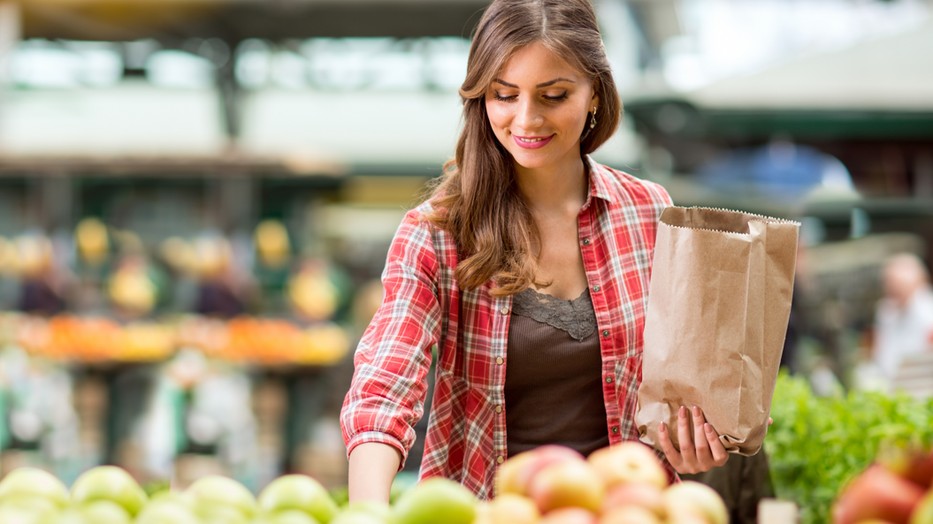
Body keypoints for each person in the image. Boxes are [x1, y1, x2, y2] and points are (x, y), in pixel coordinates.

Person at [340, 0, 728, 501]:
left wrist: (696, 439)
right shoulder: (437, 232)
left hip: (626, 507)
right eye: (504, 95)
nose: (526, 119)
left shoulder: (649, 212)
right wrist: (367, 508)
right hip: (490, 509)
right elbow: (385, 381)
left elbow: (686, 383)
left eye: (554, 95)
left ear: (595, 93)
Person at [872, 252, 933, 382]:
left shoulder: (927, 309)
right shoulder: (886, 311)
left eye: (898, 286)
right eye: (889, 286)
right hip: (892, 381)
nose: (892, 291)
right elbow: (881, 353)